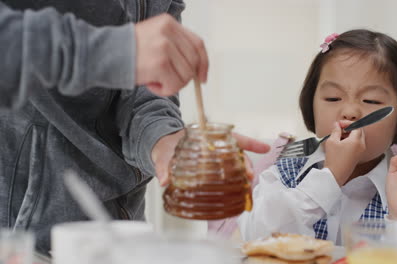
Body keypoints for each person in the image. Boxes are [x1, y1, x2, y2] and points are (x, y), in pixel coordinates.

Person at [0, 0, 269, 255]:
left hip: (122, 233)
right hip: (22, 240)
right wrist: (111, 51)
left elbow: (145, 92)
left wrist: (163, 137)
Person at [238, 29, 397, 264]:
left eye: (371, 101)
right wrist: (330, 177)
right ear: (310, 105)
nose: (349, 112)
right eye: (333, 98)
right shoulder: (284, 174)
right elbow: (256, 239)